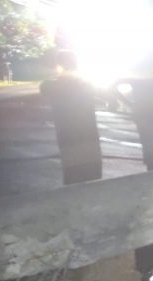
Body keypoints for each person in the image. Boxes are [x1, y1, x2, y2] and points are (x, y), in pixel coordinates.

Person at [39, 50, 103, 185]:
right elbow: (104, 96)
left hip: (67, 135)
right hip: (88, 134)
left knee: (72, 175)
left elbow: (45, 91)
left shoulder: (49, 85)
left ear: (59, 63)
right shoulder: (86, 83)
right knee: (94, 176)